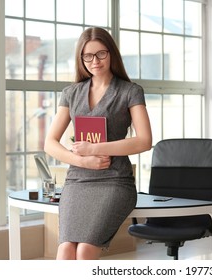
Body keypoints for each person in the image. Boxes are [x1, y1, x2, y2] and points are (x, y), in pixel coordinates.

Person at [44, 27, 152, 260]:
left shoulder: (130, 91)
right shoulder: (71, 93)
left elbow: (145, 141)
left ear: (112, 53)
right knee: (65, 250)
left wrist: (95, 149)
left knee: (84, 250)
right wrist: (82, 160)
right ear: (81, 59)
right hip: (78, 181)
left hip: (115, 181)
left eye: (101, 54)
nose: (95, 61)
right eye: (88, 56)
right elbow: (50, 143)